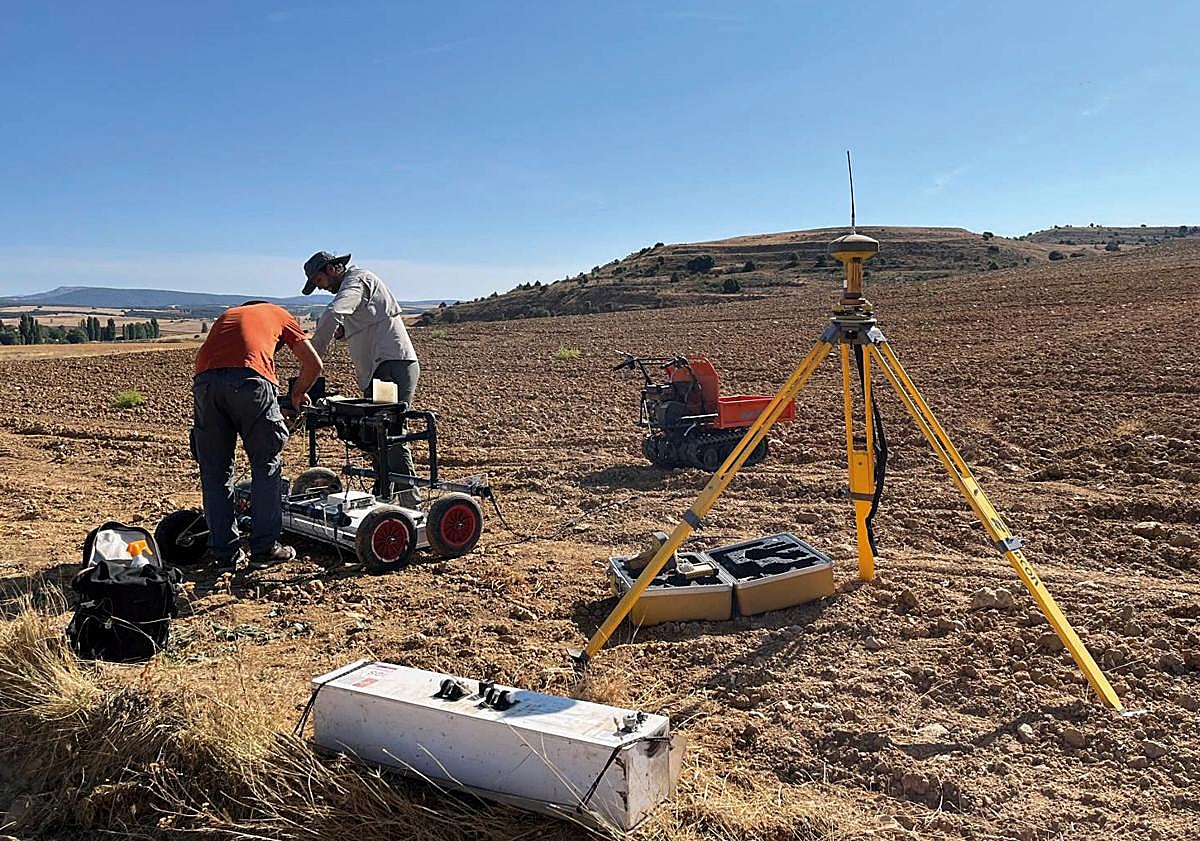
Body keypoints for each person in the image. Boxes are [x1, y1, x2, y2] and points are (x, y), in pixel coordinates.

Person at [192, 301, 323, 569]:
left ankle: (224, 554)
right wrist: (298, 393)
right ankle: (264, 548)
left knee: (216, 472)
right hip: (250, 382)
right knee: (266, 465)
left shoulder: (229, 314)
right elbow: (313, 364)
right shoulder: (280, 315)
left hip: (205, 385)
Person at [302, 251, 421, 506]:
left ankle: (411, 503)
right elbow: (360, 317)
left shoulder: (357, 280)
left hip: (391, 366)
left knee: (389, 431)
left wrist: (312, 358)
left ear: (333, 268)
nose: (321, 288)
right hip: (378, 370)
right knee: (372, 433)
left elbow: (335, 311)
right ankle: (384, 497)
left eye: (319, 280)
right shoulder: (354, 286)